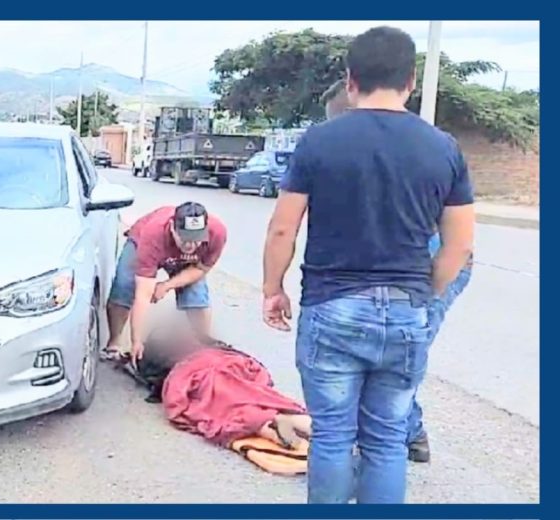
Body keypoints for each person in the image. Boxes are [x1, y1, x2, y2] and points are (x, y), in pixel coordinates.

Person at [261, 26, 475, 504]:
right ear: (411, 81)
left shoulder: (319, 142)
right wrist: (424, 295)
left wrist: (272, 288)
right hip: (406, 313)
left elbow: (282, 229)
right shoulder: (444, 148)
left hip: (332, 308)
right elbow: (458, 247)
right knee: (385, 440)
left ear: (350, 80)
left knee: (334, 437)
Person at [320, 79, 476, 464]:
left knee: (398, 351)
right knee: (393, 347)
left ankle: (397, 435)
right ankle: (403, 433)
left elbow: (457, 238)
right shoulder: (399, 147)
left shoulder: (410, 148)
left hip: (436, 260)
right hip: (415, 263)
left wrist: (426, 295)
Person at [104, 202, 227, 365]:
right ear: (172, 227)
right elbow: (143, 295)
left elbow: (201, 269)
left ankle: (204, 348)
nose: (190, 245)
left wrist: (167, 285)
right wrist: (136, 342)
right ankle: (114, 343)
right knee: (124, 286)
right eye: (185, 239)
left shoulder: (217, 232)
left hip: (188, 264)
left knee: (197, 295)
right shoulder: (153, 234)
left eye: (196, 240)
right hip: (143, 243)